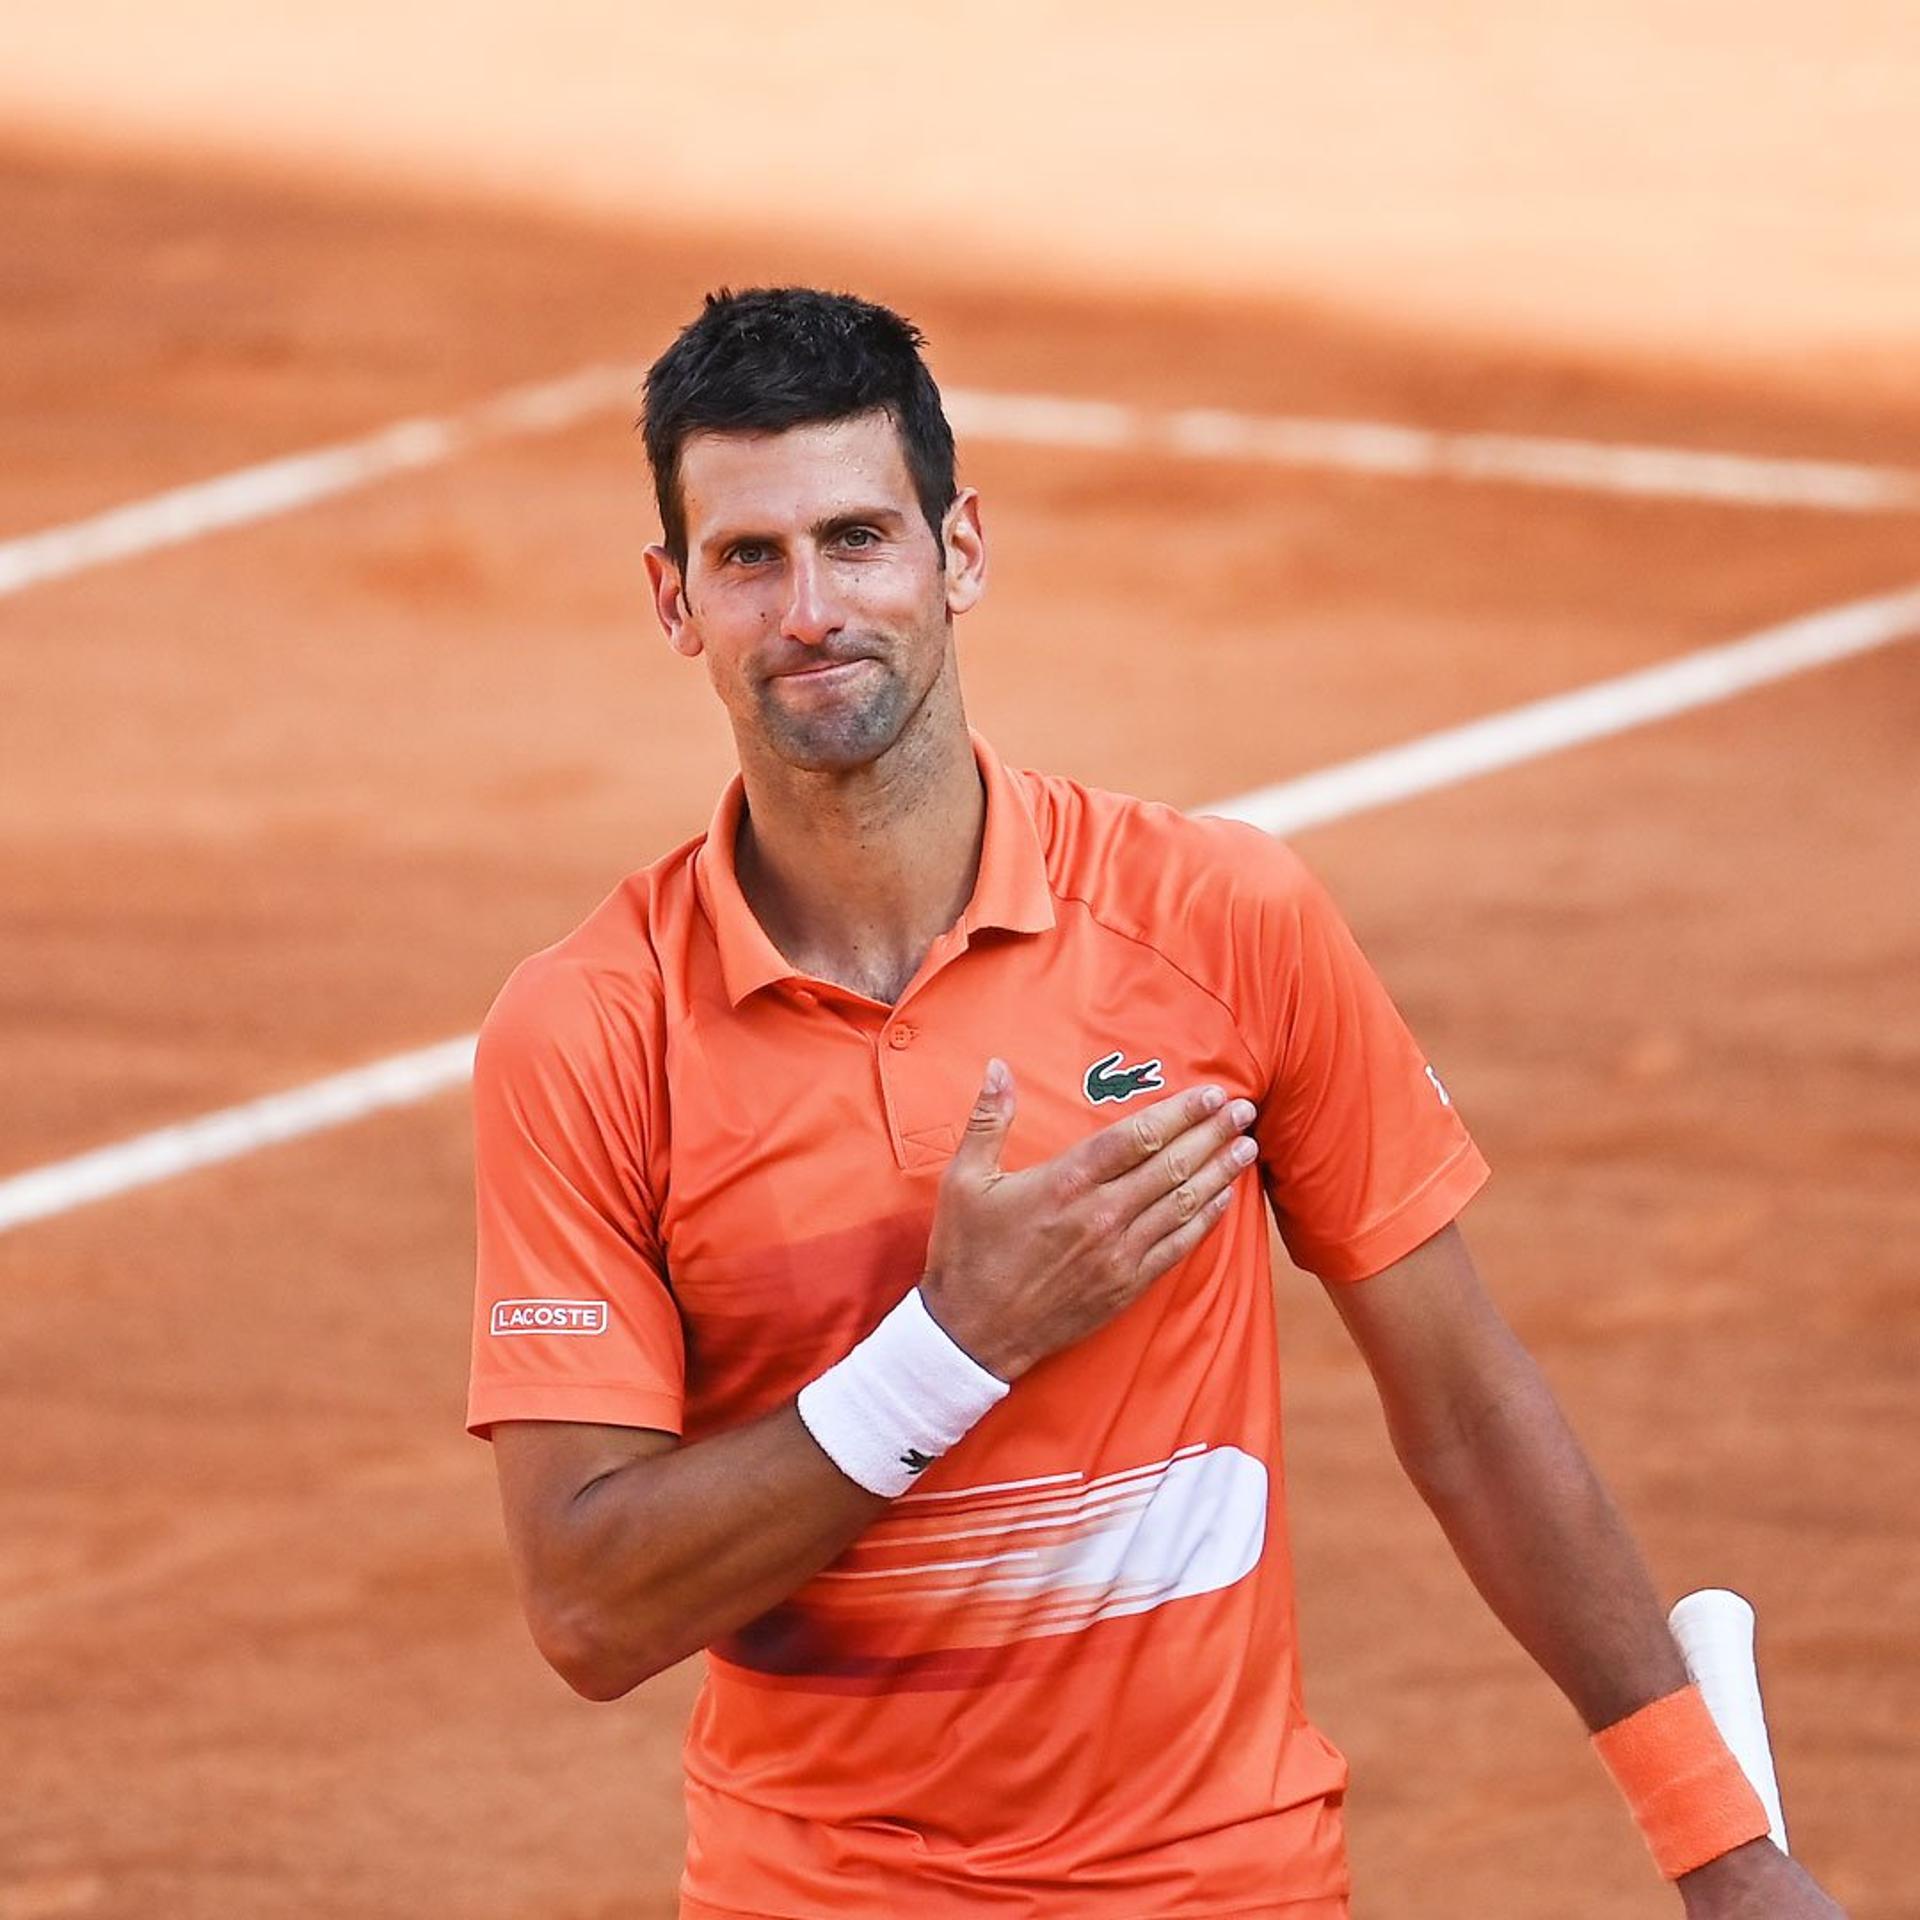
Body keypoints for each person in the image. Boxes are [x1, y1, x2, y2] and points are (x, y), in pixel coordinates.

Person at [466, 288, 1843, 1919]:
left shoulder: (1222, 920)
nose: (811, 606)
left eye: (857, 538)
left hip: (1226, 1887)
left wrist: (1723, 1852)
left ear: (958, 553)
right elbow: (591, 1608)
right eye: (748, 558)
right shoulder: (588, 1032)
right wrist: (950, 1346)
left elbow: (1468, 1411)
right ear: (674, 600)